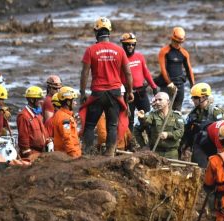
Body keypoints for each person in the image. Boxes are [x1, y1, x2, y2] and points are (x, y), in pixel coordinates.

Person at [79, 17, 134, 157]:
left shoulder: (91, 50)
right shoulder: (119, 51)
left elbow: (85, 73)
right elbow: (128, 73)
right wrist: (130, 91)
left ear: (96, 31)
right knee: (112, 125)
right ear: (109, 31)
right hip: (115, 93)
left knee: (90, 125)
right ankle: (110, 153)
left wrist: (82, 92)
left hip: (97, 93)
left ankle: (87, 153)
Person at [120, 32, 158, 131]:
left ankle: (148, 140)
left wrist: (154, 87)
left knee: (147, 117)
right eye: (128, 44)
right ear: (123, 45)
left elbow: (146, 73)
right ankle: (130, 143)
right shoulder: (119, 59)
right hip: (128, 95)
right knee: (129, 120)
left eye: (133, 44)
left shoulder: (139, 56)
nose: (130, 46)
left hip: (141, 93)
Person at [181, 82, 224, 166]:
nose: (193, 100)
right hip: (198, 146)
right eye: (192, 98)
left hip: (212, 146)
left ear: (203, 97)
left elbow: (222, 131)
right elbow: (187, 132)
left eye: (195, 98)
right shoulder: (193, 114)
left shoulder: (215, 112)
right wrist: (185, 145)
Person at [134, 92, 184, 159]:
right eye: (156, 100)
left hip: (171, 153)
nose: (157, 102)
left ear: (168, 102)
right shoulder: (152, 114)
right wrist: (143, 146)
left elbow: (180, 132)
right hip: (155, 152)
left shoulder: (176, 116)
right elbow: (145, 122)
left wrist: (168, 134)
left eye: (160, 100)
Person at [155, 26, 195, 111]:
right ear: (172, 39)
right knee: (164, 109)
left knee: (177, 110)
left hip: (180, 85)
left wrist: (193, 85)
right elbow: (163, 69)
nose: (178, 44)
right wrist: (169, 83)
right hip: (167, 85)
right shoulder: (164, 51)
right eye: (176, 42)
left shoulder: (184, 53)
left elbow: (189, 69)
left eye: (180, 42)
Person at [17, 86, 49, 159]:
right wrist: (28, 155)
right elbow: (23, 139)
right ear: (32, 100)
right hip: (32, 153)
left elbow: (43, 131)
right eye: (39, 99)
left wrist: (48, 141)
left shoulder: (38, 114)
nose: (42, 101)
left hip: (41, 152)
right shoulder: (23, 116)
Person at [52, 87, 81, 158]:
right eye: (73, 100)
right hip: (69, 154)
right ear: (68, 102)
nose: (75, 103)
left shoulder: (60, 114)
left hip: (65, 153)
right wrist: (74, 155)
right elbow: (67, 137)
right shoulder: (65, 118)